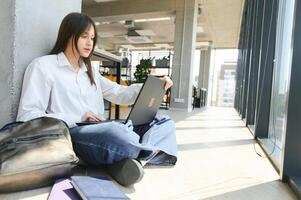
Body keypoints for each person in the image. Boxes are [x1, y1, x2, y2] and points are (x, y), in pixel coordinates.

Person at [16, 12, 177, 186]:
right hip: (73, 134)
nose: (90, 43)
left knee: (163, 121)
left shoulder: (90, 70)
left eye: (92, 38)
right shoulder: (43, 66)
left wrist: (151, 86)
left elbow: (119, 93)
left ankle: (136, 161)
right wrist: (79, 117)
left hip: (102, 129)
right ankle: (135, 154)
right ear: (69, 35)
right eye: (84, 36)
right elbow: (27, 116)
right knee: (116, 133)